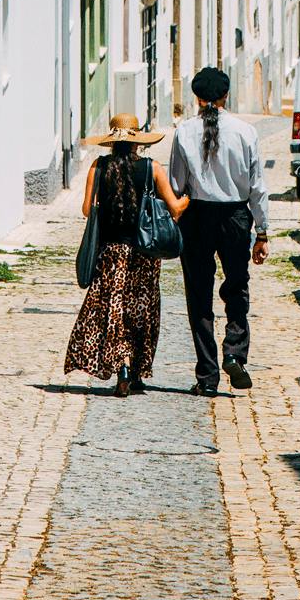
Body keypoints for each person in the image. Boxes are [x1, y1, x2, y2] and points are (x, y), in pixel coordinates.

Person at [65, 114, 189, 398]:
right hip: (144, 253)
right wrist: (188, 198)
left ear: (112, 141)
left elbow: (87, 210)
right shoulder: (151, 168)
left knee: (114, 308)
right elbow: (175, 209)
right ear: (137, 142)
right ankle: (135, 370)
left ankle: (120, 365)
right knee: (141, 310)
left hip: (110, 252)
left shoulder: (99, 167)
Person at [169, 68, 269, 397]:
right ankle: (235, 352)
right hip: (236, 217)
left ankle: (207, 376)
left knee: (199, 296)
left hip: (197, 216)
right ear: (226, 95)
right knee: (237, 287)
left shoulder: (184, 132)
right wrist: (263, 231)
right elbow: (257, 187)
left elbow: (176, 185)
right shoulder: (246, 132)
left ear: (196, 98)